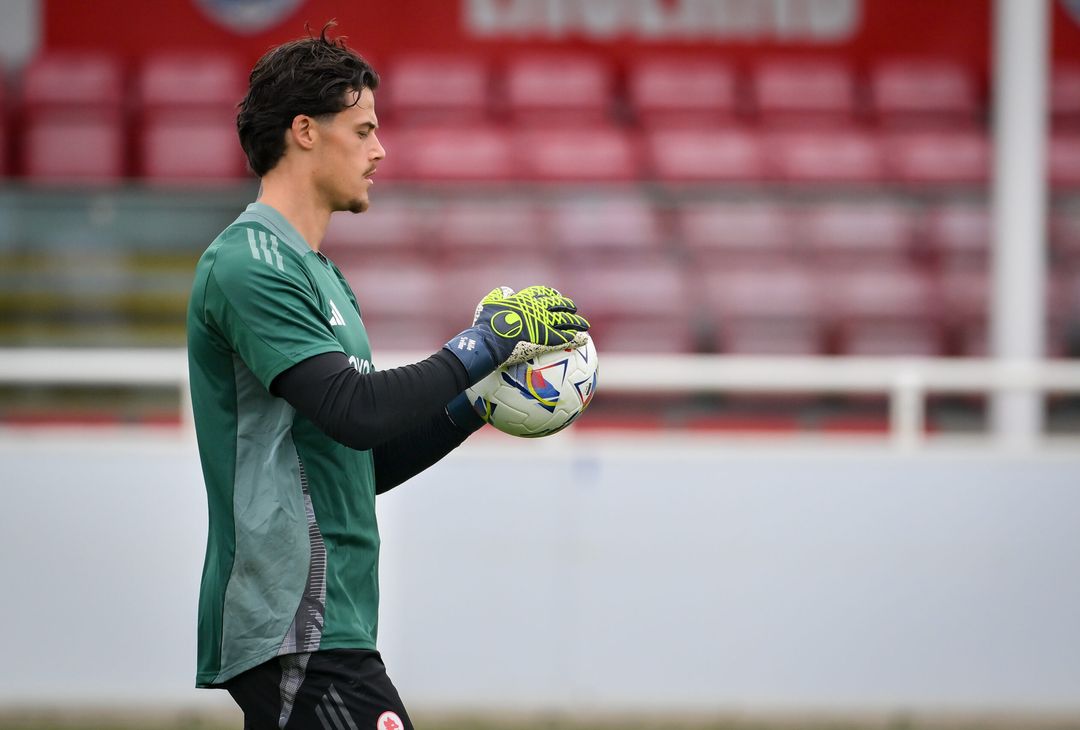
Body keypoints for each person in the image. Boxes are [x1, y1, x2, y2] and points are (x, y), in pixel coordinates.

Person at [186, 25, 590, 730]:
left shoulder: (322, 277)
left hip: (327, 623)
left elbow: (354, 461)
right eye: (364, 129)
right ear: (305, 131)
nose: (381, 152)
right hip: (296, 624)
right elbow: (356, 410)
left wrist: (476, 405)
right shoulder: (248, 264)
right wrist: (487, 342)